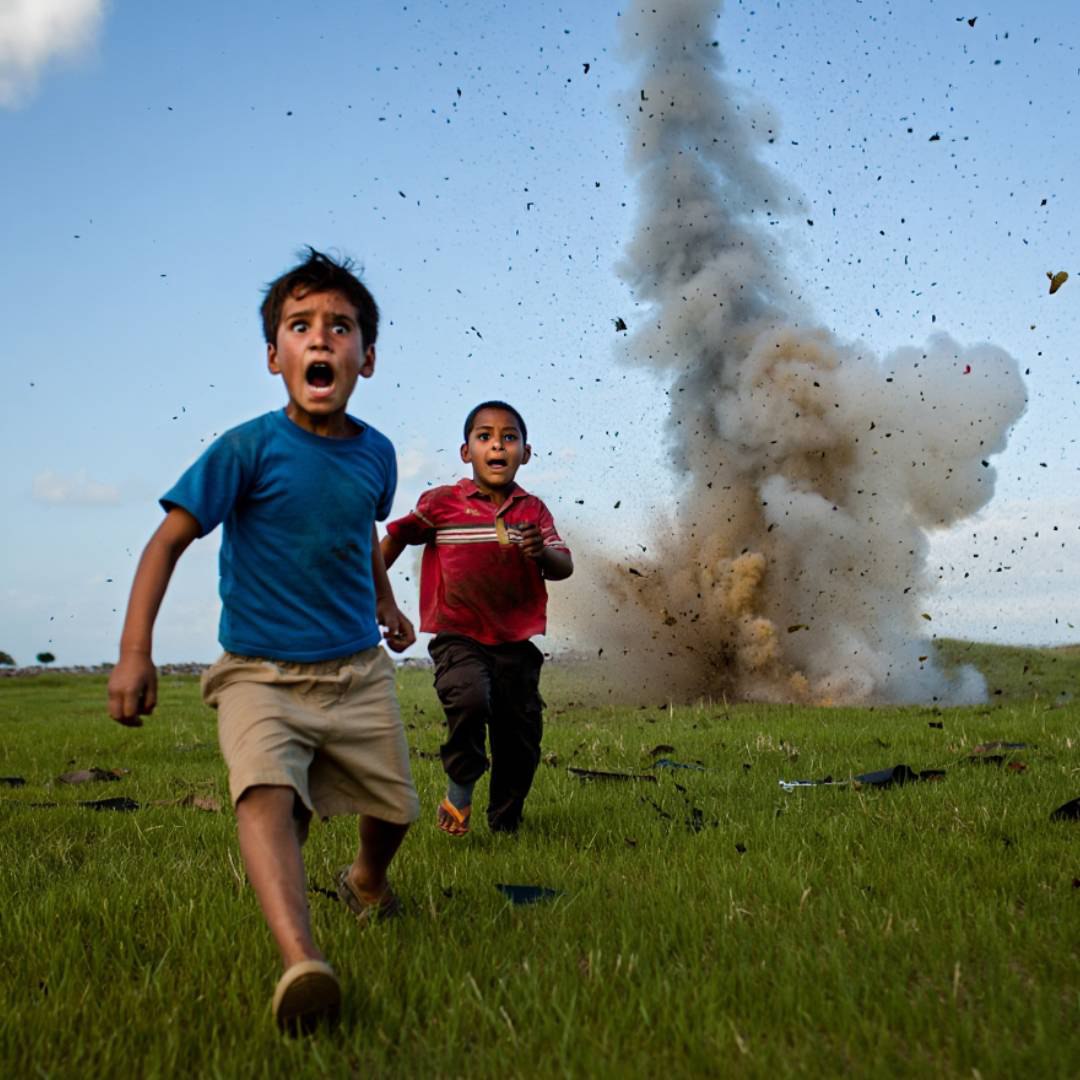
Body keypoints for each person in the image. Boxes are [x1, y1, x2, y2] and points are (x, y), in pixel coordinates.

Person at [106, 248, 420, 1034]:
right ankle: (301, 962)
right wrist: (136, 652)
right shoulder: (246, 449)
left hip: (355, 669)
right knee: (265, 796)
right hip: (259, 673)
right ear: (274, 355)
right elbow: (166, 542)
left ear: (367, 358)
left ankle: (365, 882)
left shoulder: (377, 455)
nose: (321, 340)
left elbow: (360, 534)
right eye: (301, 326)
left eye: (340, 327)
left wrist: (387, 602)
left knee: (397, 810)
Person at [382, 401, 573, 837]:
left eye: (509, 437)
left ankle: (505, 824)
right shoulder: (442, 504)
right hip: (458, 636)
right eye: (484, 436)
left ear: (525, 453)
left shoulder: (532, 512)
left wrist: (539, 551)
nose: (497, 445)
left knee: (520, 740)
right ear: (466, 452)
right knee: (468, 701)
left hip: (516, 645)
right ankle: (460, 786)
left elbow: (564, 565)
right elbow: (393, 539)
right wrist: (373, 595)